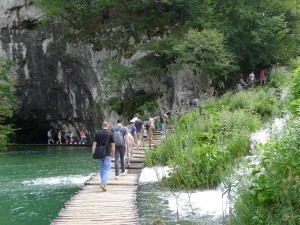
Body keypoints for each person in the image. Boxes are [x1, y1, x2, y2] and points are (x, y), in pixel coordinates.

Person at [92, 121, 115, 191]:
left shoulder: (97, 133)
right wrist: (113, 153)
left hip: (99, 153)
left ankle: (103, 182)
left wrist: (93, 152)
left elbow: (94, 144)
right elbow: (113, 145)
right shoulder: (110, 133)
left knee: (101, 168)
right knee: (107, 168)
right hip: (107, 153)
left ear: (102, 126)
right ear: (108, 125)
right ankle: (104, 182)